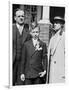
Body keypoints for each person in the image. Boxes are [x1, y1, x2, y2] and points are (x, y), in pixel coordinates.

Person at [13, 8, 31, 85]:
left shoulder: (28, 30)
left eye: (23, 16)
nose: (21, 18)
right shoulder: (9, 28)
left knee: (21, 84)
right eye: (19, 16)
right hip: (12, 62)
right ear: (15, 18)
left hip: (23, 64)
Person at [48, 16, 65, 83]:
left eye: (57, 23)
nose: (54, 24)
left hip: (60, 71)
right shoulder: (52, 38)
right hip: (52, 70)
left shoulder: (64, 36)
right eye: (54, 23)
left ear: (61, 25)